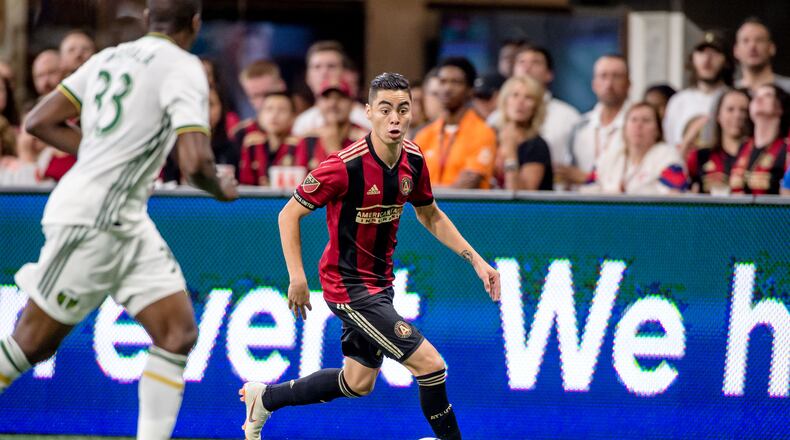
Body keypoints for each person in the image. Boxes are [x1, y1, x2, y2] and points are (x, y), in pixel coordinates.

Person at [0, 3, 238, 440]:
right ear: (196, 24)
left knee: (178, 331)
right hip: (91, 217)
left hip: (127, 219)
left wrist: (101, 152)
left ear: (149, 18)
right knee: (31, 342)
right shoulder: (184, 67)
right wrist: (220, 187)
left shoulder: (109, 56)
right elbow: (195, 159)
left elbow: (39, 120)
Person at [240, 72, 500, 440]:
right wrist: (297, 277)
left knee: (357, 382)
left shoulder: (413, 158)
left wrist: (477, 260)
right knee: (431, 365)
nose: (395, 118)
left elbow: (429, 214)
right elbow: (288, 214)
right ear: (369, 113)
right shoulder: (343, 166)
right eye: (385, 109)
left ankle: (264, 398)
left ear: (412, 113)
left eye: (403, 109)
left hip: (380, 284)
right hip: (347, 286)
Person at [489, 45, 582, 167]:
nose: (526, 68)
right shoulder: (495, 119)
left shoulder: (568, 116)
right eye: (521, 62)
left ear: (549, 74)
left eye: (535, 62)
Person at [414, 57, 497, 189]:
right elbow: (408, 183)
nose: (447, 88)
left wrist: (425, 190)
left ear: (470, 90)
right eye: (443, 82)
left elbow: (468, 185)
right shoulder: (424, 135)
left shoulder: (483, 133)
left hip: (465, 209)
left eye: (456, 82)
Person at [558, 54, 631, 186]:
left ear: (628, 84)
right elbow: (569, 174)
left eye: (616, 76)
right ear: (594, 84)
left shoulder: (639, 125)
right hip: (583, 204)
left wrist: (588, 178)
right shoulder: (580, 126)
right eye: (603, 76)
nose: (609, 84)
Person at [582, 102, 686, 195]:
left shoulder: (668, 157)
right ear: (624, 128)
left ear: (658, 130)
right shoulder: (608, 157)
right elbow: (587, 193)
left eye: (646, 121)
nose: (638, 125)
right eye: (633, 120)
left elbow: (675, 195)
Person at [663, 31, 732, 149]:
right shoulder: (678, 101)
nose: (707, 59)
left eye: (714, 53)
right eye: (701, 52)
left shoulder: (733, 98)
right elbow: (670, 144)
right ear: (693, 58)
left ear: (726, 61)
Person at [292, 41, 371, 135]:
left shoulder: (366, 120)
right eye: (317, 67)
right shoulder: (302, 123)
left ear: (344, 73)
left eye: (331, 66)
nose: (324, 72)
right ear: (307, 77)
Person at [686, 89, 751, 194]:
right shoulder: (700, 156)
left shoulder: (758, 154)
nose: (737, 115)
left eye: (743, 110)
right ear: (718, 116)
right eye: (730, 109)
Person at [729, 84, 790, 195]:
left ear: (780, 108)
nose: (759, 98)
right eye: (755, 95)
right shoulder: (743, 146)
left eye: (768, 95)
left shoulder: (786, 149)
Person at [496, 75, 553, 190]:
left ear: (536, 107)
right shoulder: (491, 137)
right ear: (505, 100)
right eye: (515, 95)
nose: (520, 102)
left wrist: (511, 154)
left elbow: (521, 198)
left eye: (528, 98)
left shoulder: (537, 146)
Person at [298, 80, 368, 170]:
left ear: (352, 104)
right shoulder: (309, 140)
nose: (333, 104)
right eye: (327, 98)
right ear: (318, 104)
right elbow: (299, 180)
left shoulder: (365, 141)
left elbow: (366, 181)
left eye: (340, 98)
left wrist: (334, 150)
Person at [237, 92, 301, 186]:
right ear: (259, 116)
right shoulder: (252, 144)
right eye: (269, 109)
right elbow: (245, 183)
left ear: (293, 117)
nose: (274, 115)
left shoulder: (300, 144)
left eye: (282, 110)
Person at [733, 18, 790, 93]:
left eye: (759, 40)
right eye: (745, 41)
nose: (752, 46)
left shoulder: (787, 89)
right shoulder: (728, 94)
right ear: (736, 50)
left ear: (771, 48)